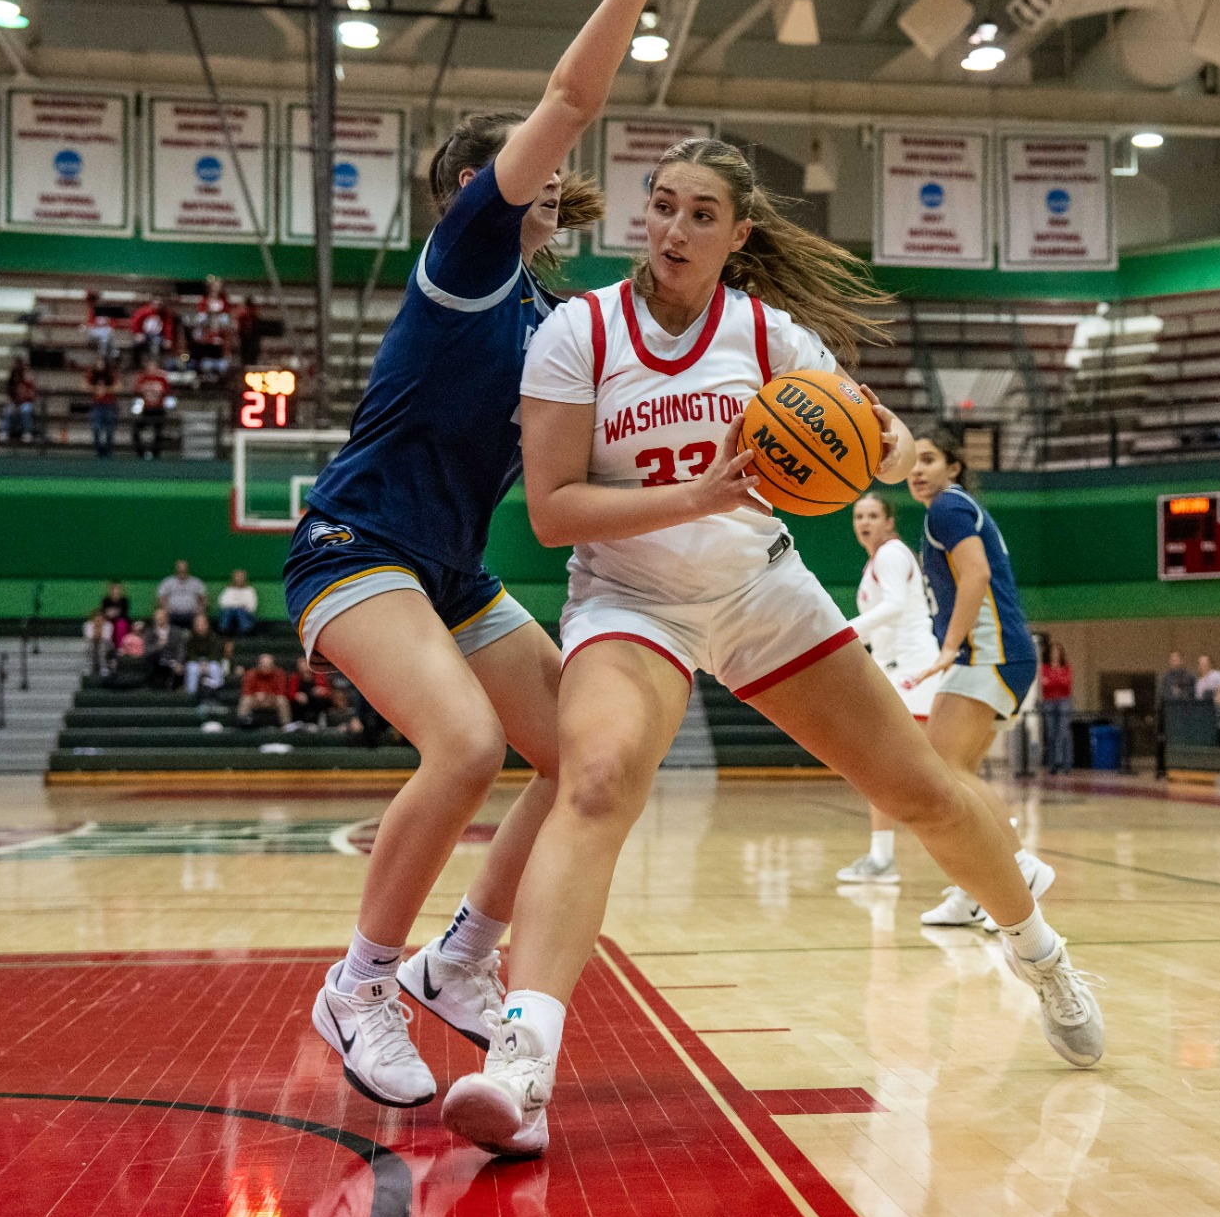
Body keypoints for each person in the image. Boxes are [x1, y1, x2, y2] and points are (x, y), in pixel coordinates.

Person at [439, 137, 1101, 1159]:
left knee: (921, 789)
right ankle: (522, 1059)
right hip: (631, 599)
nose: (672, 229)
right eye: (661, 206)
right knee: (597, 777)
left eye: (700, 214)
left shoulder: (767, 334)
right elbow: (556, 511)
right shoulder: (579, 331)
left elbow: (876, 440)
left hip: (759, 590)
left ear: (736, 234)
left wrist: (873, 436)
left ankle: (1039, 947)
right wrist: (700, 493)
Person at [295, 0, 697, 1115]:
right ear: (478, 182)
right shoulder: (467, 260)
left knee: (574, 752)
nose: (559, 172)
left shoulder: (548, 324)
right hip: (357, 542)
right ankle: (358, 980)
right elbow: (571, 98)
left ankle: (457, 956)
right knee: (463, 744)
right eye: (532, 163)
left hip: (450, 570)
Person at [905, 429, 1057, 931]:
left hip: (988, 654)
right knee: (953, 771)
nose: (918, 469)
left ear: (954, 466)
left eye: (929, 459)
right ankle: (975, 891)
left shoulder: (946, 508)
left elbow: (976, 576)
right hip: (992, 654)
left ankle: (1019, 869)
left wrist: (949, 647)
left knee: (947, 768)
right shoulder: (954, 508)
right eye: (913, 461)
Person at [836, 491, 942, 886]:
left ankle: (1008, 847)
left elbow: (895, 607)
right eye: (858, 516)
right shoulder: (876, 561)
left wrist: (843, 633)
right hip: (895, 670)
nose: (864, 522)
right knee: (883, 769)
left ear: (889, 520)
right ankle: (881, 858)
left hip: (914, 672)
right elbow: (883, 627)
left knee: (937, 773)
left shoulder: (892, 554)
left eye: (872, 515)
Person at [1038, 640, 1074, 776]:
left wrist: (1053, 679)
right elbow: (1044, 684)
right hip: (1048, 702)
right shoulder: (1044, 668)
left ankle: (1067, 765)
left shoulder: (1067, 667)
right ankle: (1052, 765)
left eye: (1057, 652)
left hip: (1064, 701)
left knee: (1064, 733)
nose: (1055, 654)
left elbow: (1066, 683)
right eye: (1053, 652)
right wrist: (1057, 678)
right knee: (1051, 734)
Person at [180, 612, 229, 698]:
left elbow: (216, 653)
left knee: (215, 667)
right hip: (195, 663)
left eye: (202, 624)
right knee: (191, 668)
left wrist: (206, 663)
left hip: (210, 662)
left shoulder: (214, 637)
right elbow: (189, 653)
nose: (200, 627)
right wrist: (199, 663)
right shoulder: (190, 638)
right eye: (198, 625)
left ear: (207, 625)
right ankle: (191, 693)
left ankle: (216, 690)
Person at [237, 653, 293, 727]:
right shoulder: (250, 674)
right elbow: (246, 691)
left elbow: (281, 691)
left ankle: (287, 725)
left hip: (272, 700)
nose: (265, 668)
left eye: (268, 665)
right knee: (245, 700)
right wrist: (256, 695)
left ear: (273, 665)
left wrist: (268, 696)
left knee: (282, 700)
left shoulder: (279, 674)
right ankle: (242, 723)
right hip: (255, 701)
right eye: (263, 665)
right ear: (258, 665)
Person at [133, 363, 172, 458]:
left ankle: (156, 454)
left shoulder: (162, 379)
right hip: (145, 409)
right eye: (149, 367)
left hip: (158, 409)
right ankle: (140, 453)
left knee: (159, 431)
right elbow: (136, 391)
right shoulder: (143, 379)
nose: (151, 369)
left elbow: (168, 393)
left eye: (153, 367)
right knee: (136, 429)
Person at [86, 356, 119, 458]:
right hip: (97, 406)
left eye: (101, 362)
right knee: (96, 428)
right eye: (98, 362)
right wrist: (96, 389)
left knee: (109, 429)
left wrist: (106, 389)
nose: (100, 364)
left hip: (109, 405)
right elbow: (83, 386)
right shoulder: (93, 373)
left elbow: (119, 386)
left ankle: (108, 451)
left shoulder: (110, 373)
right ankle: (99, 450)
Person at [0, 357, 37, 444]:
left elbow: (31, 395)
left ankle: (27, 433)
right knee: (8, 409)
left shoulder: (28, 381)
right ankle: (3, 433)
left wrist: (23, 399)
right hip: (14, 402)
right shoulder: (11, 381)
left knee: (25, 409)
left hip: (25, 402)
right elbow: (8, 394)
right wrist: (13, 401)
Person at [291, 655, 337, 727]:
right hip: (301, 703)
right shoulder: (294, 678)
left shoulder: (319, 675)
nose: (304, 667)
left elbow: (328, 691)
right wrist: (296, 695)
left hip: (315, 701)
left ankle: (319, 722)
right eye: (301, 665)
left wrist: (322, 691)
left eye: (305, 664)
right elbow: (290, 692)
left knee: (320, 700)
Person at [157, 559, 209, 624]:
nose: (182, 571)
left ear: (187, 569)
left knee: (201, 618)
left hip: (192, 614)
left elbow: (204, 599)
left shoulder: (196, 582)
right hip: (172, 614)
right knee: (161, 614)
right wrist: (166, 608)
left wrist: (200, 609)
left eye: (184, 569)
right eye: (180, 569)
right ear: (176, 570)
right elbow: (161, 599)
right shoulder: (167, 582)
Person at [217, 569, 259, 636]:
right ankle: (224, 631)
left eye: (241, 578)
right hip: (229, 611)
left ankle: (245, 631)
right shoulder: (228, 590)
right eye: (237, 577)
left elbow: (252, 606)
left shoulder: (250, 591)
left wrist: (238, 606)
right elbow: (223, 603)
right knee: (228, 611)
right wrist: (237, 605)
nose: (239, 580)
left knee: (240, 611)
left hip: (245, 612)